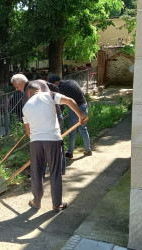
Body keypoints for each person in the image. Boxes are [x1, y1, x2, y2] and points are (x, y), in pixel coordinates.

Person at [22, 82, 88, 212]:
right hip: (53, 140)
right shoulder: (50, 95)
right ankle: (57, 204)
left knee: (36, 173)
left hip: (35, 142)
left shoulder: (26, 106)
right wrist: (81, 116)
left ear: (29, 93)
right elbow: (70, 100)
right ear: (39, 90)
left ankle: (36, 202)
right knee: (55, 172)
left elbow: (28, 131)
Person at [11, 74, 68, 174]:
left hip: (46, 121)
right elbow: (55, 88)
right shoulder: (40, 81)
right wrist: (57, 105)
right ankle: (61, 169)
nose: (16, 89)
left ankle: (42, 172)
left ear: (22, 83)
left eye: (16, 87)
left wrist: (30, 131)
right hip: (57, 115)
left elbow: (29, 116)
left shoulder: (27, 96)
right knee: (58, 141)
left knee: (43, 144)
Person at [48, 75, 92, 158]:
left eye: (52, 84)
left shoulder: (60, 89)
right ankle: (88, 150)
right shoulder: (71, 81)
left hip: (76, 108)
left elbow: (61, 105)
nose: (52, 87)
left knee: (72, 131)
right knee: (83, 129)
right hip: (84, 105)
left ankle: (70, 152)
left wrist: (59, 114)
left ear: (56, 82)